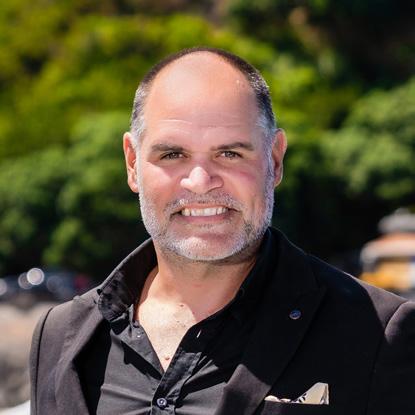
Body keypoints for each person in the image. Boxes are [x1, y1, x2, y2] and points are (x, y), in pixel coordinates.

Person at [30, 47, 415, 415]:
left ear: (275, 159)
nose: (200, 182)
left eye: (229, 153)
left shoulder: (379, 334)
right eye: (172, 154)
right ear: (132, 163)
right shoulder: (58, 336)